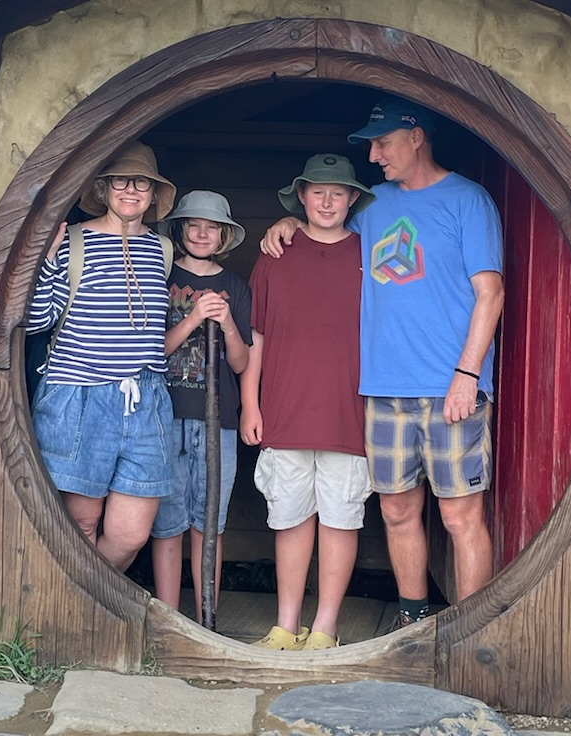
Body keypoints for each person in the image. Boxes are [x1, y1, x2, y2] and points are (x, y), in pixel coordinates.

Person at [262, 100, 504, 627]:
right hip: (382, 387)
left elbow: (491, 293)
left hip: (450, 388)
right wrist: (285, 220)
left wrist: (466, 376)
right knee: (396, 511)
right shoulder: (372, 205)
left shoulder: (468, 200)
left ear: (416, 137)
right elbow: (326, 220)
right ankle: (413, 620)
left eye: (382, 142)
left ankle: (471, 632)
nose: (373, 156)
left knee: (460, 515)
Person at [241, 154, 374, 650]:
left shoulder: (369, 255)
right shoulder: (276, 254)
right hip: (284, 407)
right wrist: (251, 406)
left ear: (353, 199)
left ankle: (326, 628)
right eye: (317, 191)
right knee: (290, 518)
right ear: (301, 195)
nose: (326, 201)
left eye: (337, 193)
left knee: (341, 519)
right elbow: (257, 337)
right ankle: (286, 625)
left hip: (348, 413)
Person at [25, 142, 177, 571]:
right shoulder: (74, 239)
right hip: (79, 393)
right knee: (80, 523)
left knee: (131, 535)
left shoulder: (162, 249)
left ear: (152, 193)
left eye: (141, 183)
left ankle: (88, 615)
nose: (131, 190)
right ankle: (78, 625)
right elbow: (38, 320)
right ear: (105, 188)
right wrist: (48, 257)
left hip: (146, 398)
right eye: (120, 182)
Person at [152, 190, 252, 621]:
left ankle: (205, 620)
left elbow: (241, 362)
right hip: (166, 412)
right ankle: (170, 619)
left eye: (211, 227)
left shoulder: (234, 287)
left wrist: (227, 322)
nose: (201, 233)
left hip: (219, 419)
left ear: (224, 235)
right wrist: (193, 317)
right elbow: (153, 351)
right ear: (179, 229)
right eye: (193, 224)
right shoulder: (161, 274)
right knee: (168, 521)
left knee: (209, 522)